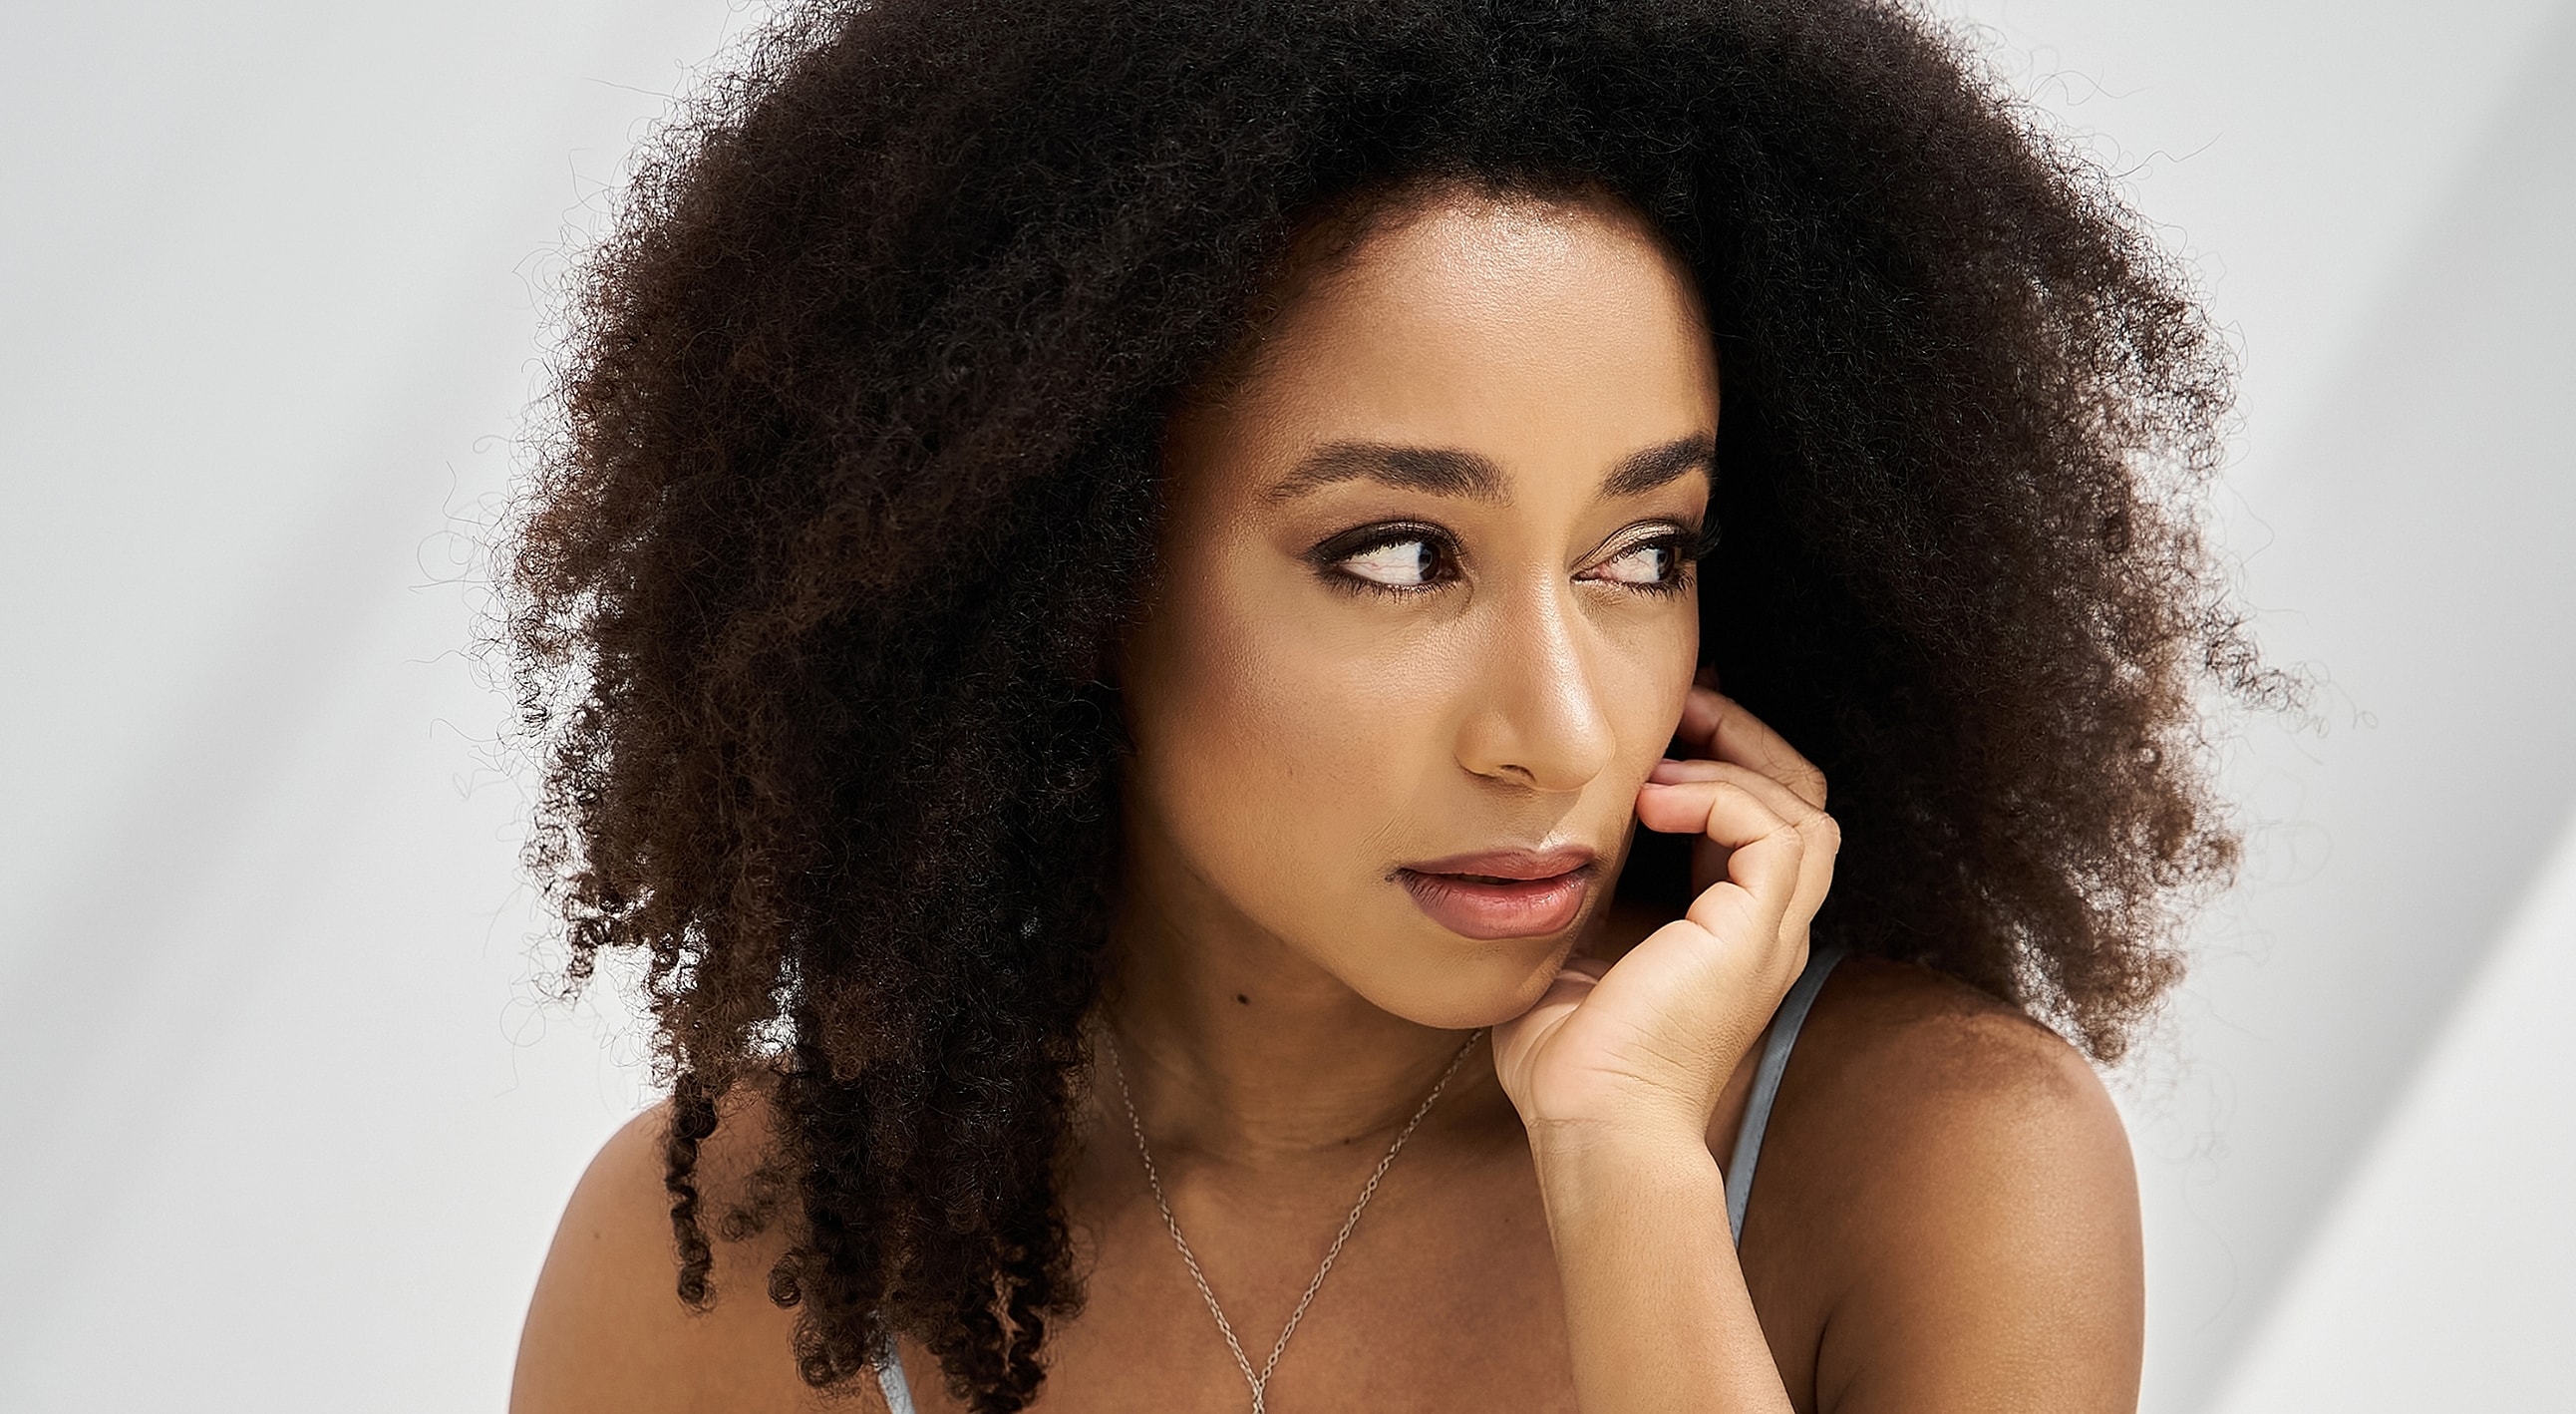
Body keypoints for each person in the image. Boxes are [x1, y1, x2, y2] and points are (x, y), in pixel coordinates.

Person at [503, 1, 2268, 1409]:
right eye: (1404, 555)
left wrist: (1630, 1169)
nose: (1562, 728)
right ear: (1069, 568)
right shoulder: (741, 1261)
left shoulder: (1929, 1165)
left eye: (1644, 551)